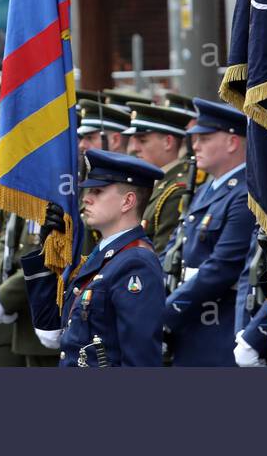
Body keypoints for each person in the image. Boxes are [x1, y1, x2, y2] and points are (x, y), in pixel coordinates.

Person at [23, 149, 166, 367]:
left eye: (97, 192)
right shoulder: (103, 256)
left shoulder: (135, 264)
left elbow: (140, 359)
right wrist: (46, 247)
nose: (86, 199)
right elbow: (50, 326)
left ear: (127, 201)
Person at [162, 99, 253, 366]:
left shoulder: (244, 193)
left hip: (216, 329)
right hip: (190, 324)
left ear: (232, 142)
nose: (195, 145)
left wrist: (166, 311)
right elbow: (175, 248)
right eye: (194, 138)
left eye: (205, 138)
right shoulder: (207, 189)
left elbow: (222, 267)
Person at [124, 102, 193, 255]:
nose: (134, 148)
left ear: (168, 142)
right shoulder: (152, 183)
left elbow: (161, 253)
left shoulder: (177, 189)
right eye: (134, 140)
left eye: (142, 140)